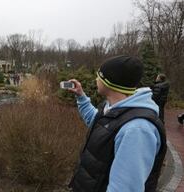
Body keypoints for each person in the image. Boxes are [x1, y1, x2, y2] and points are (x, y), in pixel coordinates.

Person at [67, 55, 166, 192]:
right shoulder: (115, 107)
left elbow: (124, 188)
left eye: (99, 76)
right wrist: (81, 96)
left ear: (109, 83)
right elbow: (97, 122)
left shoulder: (137, 129)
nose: (96, 79)